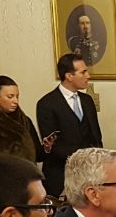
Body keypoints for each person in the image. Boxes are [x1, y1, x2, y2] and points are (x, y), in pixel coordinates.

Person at [37, 53, 103, 197]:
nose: (88, 76)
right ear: (69, 76)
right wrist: (81, 160)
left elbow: (96, 136)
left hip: (89, 176)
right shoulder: (46, 104)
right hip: (60, 177)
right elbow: (52, 145)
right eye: (83, 72)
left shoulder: (87, 101)